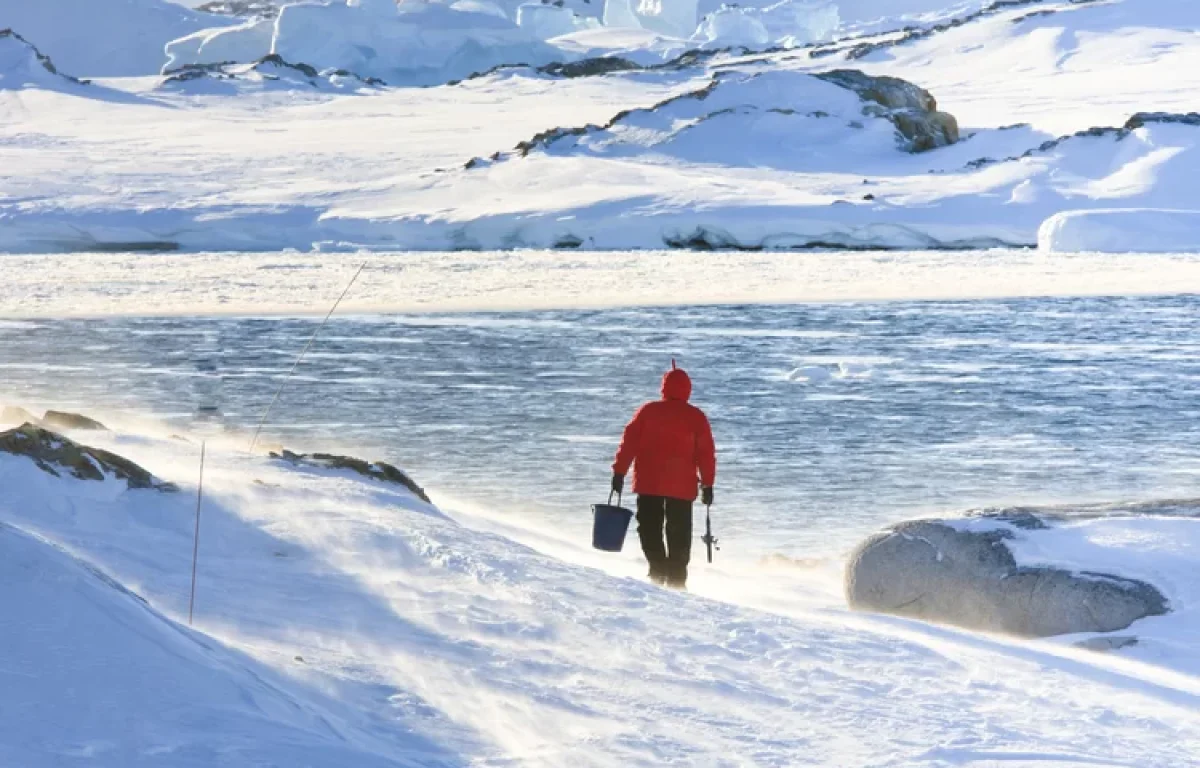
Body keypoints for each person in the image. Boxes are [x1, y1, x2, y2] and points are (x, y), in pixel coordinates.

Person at [611, 360, 716, 589]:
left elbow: (628, 443)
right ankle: (677, 580)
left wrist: (619, 472)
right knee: (679, 533)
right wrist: (708, 485)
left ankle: (657, 571)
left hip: (650, 484)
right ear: (688, 389)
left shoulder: (648, 411)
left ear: (664, 387)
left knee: (649, 528)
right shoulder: (696, 417)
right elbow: (706, 454)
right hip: (681, 487)